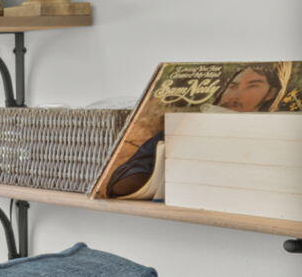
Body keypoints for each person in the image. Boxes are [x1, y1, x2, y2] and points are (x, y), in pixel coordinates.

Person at [104, 62, 292, 198]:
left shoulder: (280, 135)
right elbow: (120, 185)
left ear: (271, 93)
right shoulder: (183, 128)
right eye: (233, 86)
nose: (235, 95)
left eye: (253, 86)